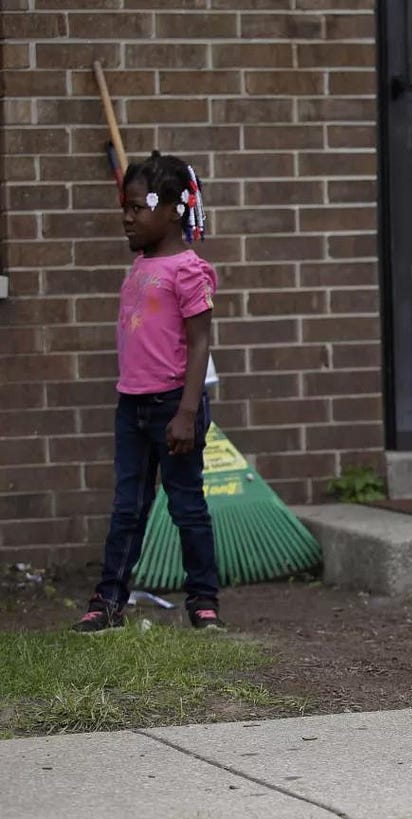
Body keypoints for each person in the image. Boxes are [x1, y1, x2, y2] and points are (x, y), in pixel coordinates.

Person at [72, 151, 224, 634]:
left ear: (172, 209)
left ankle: (203, 601)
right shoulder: (140, 264)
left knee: (186, 505)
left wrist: (187, 411)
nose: (127, 217)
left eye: (137, 207)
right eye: (126, 207)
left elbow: (200, 342)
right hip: (132, 403)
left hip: (173, 406)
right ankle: (109, 600)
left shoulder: (188, 269)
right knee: (128, 507)